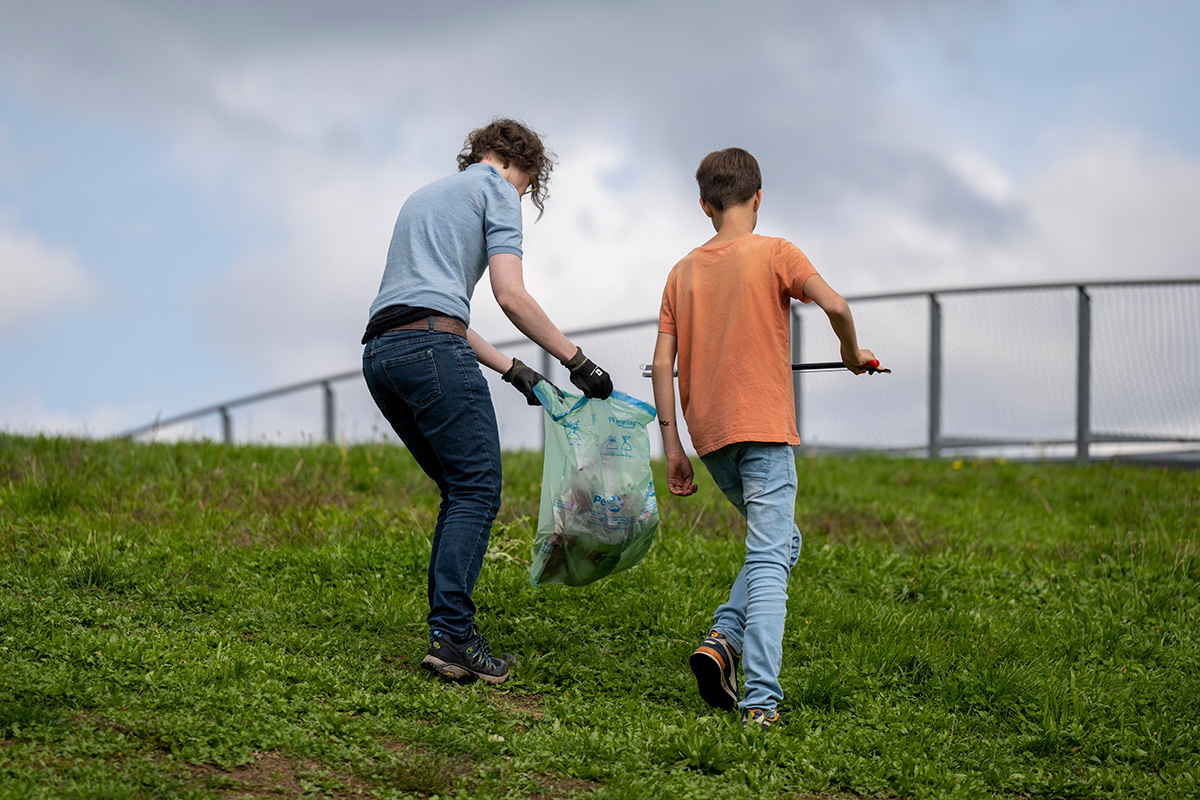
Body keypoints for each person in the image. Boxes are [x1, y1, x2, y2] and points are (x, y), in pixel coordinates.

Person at [361, 118, 613, 686]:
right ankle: (453, 636)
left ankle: (446, 633)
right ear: (517, 168)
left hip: (381, 355)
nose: (521, 196)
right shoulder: (497, 189)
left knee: (459, 489)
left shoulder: (422, 197)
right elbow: (510, 294)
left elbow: (424, 307)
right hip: (430, 349)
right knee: (477, 488)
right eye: (528, 188)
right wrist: (578, 362)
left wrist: (514, 369)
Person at [651, 147, 878, 729]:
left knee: (783, 543)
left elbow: (661, 366)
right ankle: (760, 703)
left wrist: (673, 448)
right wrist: (852, 356)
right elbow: (836, 304)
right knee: (772, 561)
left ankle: (723, 639)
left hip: (710, 438)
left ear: (704, 205)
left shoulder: (681, 273)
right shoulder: (777, 252)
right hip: (764, 430)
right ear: (758, 197)